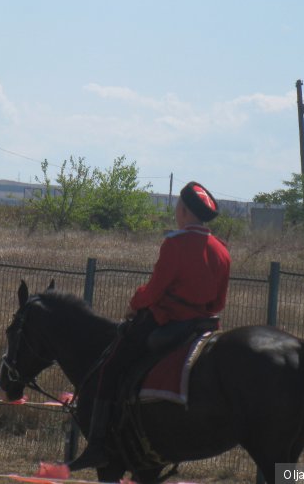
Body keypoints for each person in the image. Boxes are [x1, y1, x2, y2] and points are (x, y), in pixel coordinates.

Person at [68, 181, 231, 471]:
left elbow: (155, 290)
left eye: (177, 207)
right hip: (203, 326)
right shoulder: (222, 251)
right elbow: (219, 302)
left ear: (183, 210)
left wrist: (135, 304)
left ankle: (98, 444)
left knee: (110, 366)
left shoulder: (175, 244)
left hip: (169, 322)